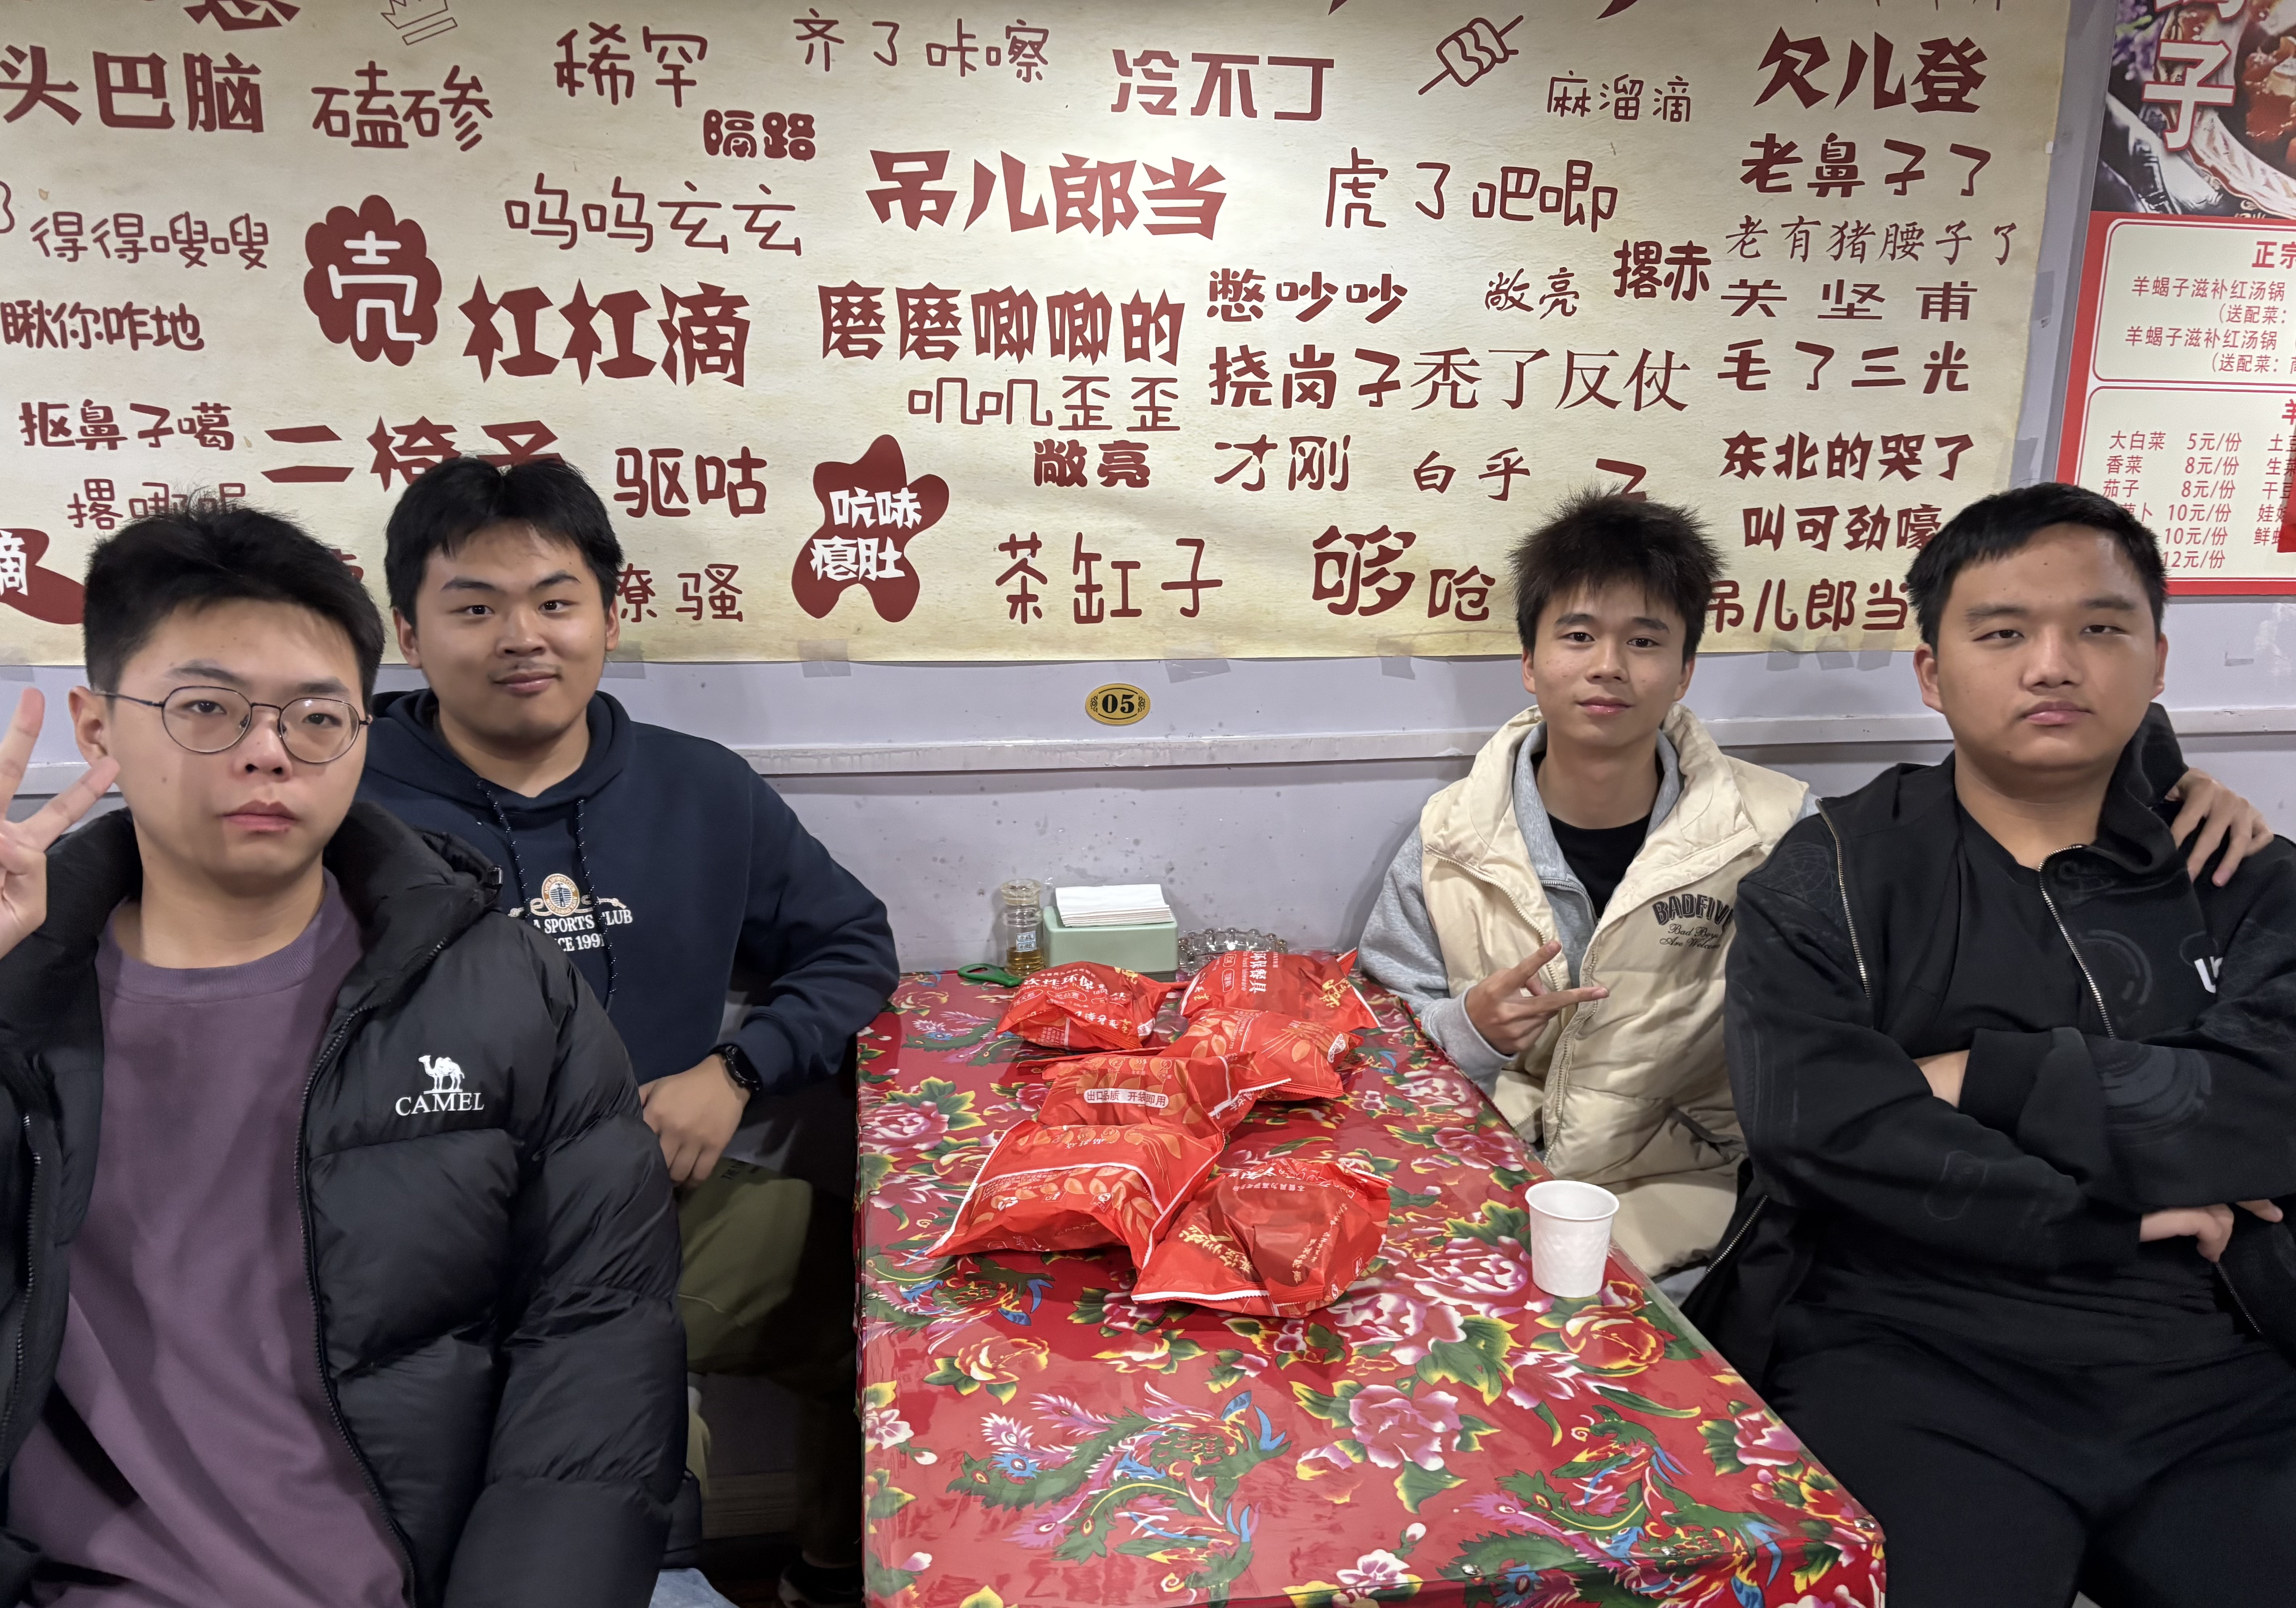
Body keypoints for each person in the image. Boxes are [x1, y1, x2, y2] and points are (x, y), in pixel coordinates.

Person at [0, 508, 686, 1606]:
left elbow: (596, 1344)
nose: (268, 750)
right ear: (96, 728)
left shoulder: (503, 986)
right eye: (207, 708)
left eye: (318, 715)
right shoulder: (15, 993)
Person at [1360, 491, 2272, 1280]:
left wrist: (2156, 789)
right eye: (1577, 636)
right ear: (1529, 664)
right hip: (1485, 1191)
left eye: (1645, 640)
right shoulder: (1449, 840)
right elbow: (1366, 1052)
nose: (1608, 666)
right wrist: (1467, 1030)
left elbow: (1826, 1089)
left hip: (1694, 1210)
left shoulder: (1782, 832)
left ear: (1684, 672)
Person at [1693, 484, 2296, 1608]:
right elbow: (1814, 1123)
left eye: (2098, 627)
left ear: (2157, 659)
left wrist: (1989, 1076)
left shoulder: (2244, 876)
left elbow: (2272, 1105)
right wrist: (2108, 1209)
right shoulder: (1830, 872)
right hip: (1907, 1351)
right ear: (1932, 671)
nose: (2052, 666)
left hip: (2210, 1359)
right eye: (2004, 632)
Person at [357, 456, 897, 1608]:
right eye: (474, 608)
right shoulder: (343, 805)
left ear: (609, 615)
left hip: (663, 1203)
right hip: (437, 1250)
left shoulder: (699, 788)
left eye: (555, 601)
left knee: (886, 1307)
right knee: (625, 1483)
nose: (523, 637)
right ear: (407, 632)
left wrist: (734, 1069)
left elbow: (852, 943)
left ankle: (827, 1571)